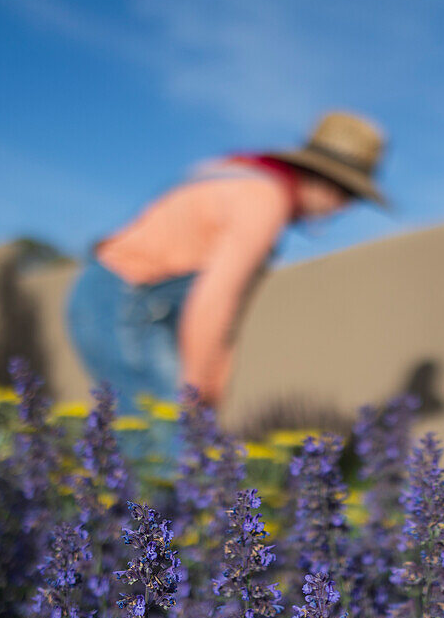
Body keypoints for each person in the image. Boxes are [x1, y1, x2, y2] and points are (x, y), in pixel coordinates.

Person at [65, 111, 390, 457]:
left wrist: (210, 388)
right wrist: (200, 394)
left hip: (114, 297)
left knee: (150, 436)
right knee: (168, 439)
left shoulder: (240, 174)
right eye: (346, 194)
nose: (342, 208)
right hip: (124, 302)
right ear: (323, 181)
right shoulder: (265, 201)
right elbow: (215, 303)